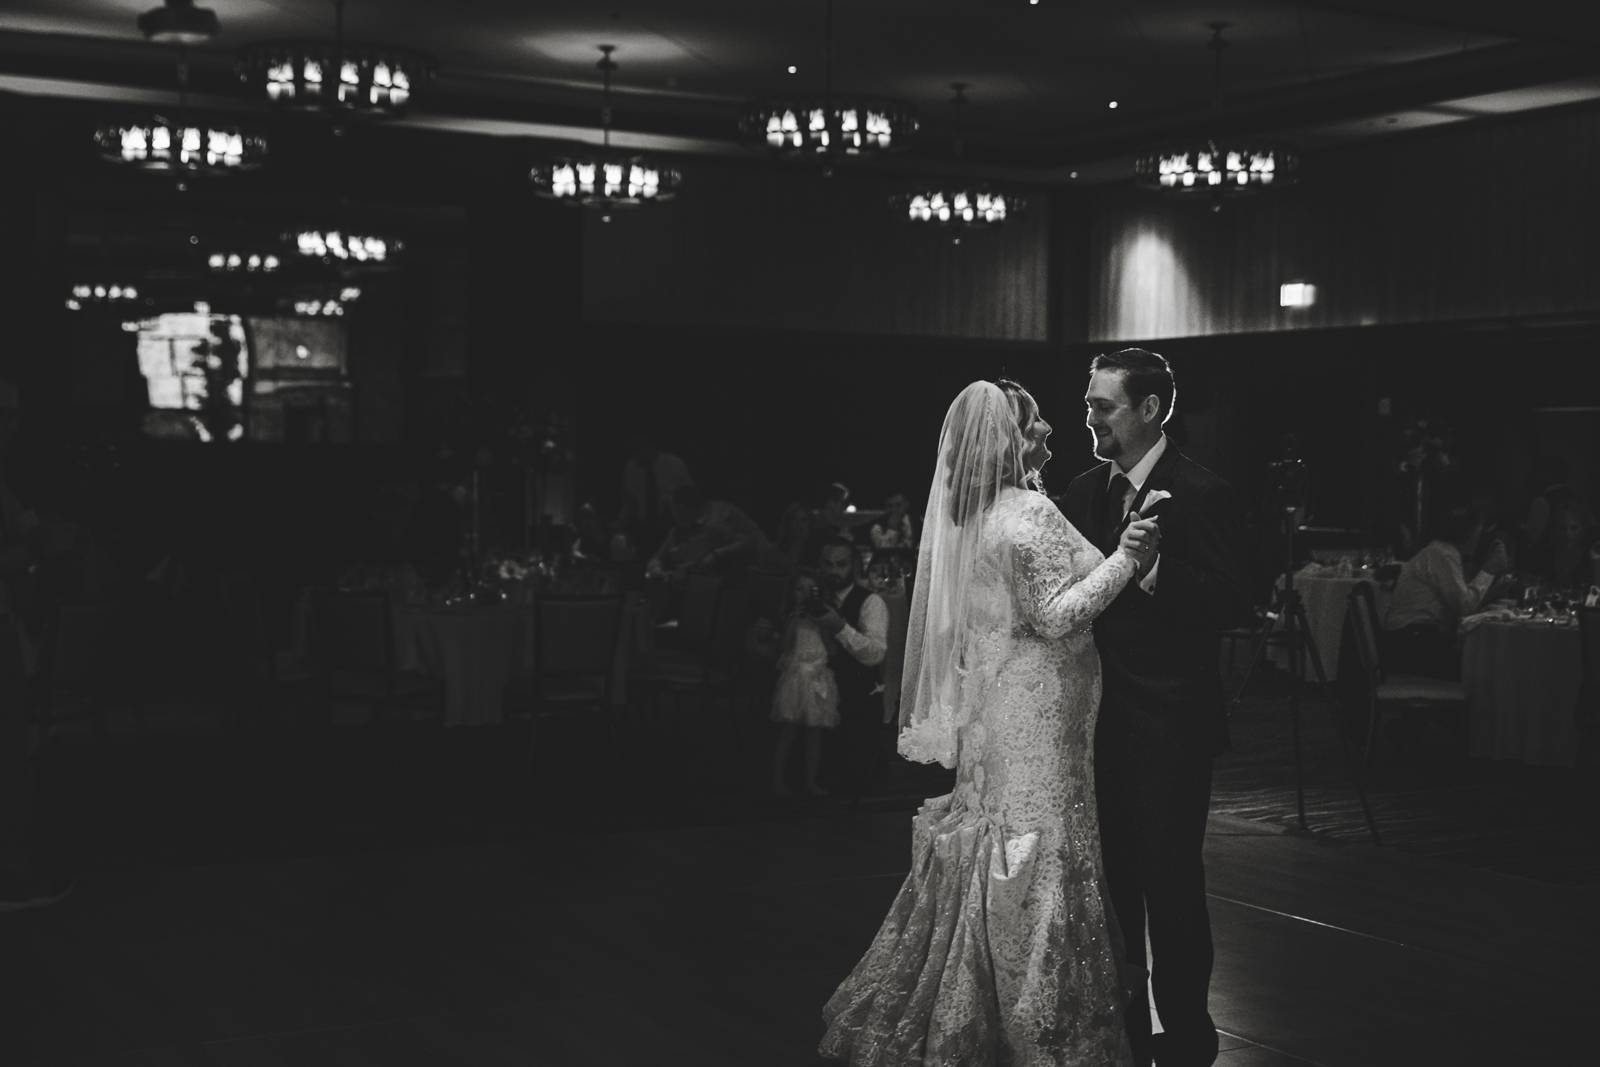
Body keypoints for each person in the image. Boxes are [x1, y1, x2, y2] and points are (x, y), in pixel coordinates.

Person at [821, 380, 1160, 1065]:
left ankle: (971, 997)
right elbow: (1055, 614)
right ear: (1011, 437)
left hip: (999, 713)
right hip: (1037, 716)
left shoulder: (973, 519)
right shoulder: (1028, 513)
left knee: (1000, 837)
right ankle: (1040, 1022)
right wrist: (1129, 556)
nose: (1048, 434)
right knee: (1040, 843)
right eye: (1035, 425)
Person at [1059, 349, 1249, 1067]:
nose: (1089, 415)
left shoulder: (1202, 492)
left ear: (1149, 410)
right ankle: (1122, 1032)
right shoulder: (1081, 491)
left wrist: (1154, 569)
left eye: (1102, 405)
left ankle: (1190, 1038)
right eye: (1088, 402)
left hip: (1170, 728)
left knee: (1170, 885)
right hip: (1092, 727)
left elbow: (1231, 601)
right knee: (1108, 891)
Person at [1384, 505, 1512, 676]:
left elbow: (1461, 604)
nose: (1481, 537)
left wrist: (1492, 592)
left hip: (1411, 640)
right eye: (1480, 530)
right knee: (1488, 666)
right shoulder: (1442, 553)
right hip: (1412, 643)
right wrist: (1489, 569)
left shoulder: (1440, 551)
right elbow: (1464, 607)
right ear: (1470, 531)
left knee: (1484, 662)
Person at [811, 536, 888, 804]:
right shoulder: (810, 596)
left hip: (856, 702)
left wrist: (840, 628)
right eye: (828, 564)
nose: (834, 571)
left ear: (853, 566)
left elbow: (876, 653)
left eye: (841, 564)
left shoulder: (870, 602)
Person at [765, 571, 840, 797]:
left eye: (811, 589)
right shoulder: (792, 617)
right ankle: (777, 780)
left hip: (818, 677)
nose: (805, 594)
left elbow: (832, 649)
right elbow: (785, 647)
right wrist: (794, 620)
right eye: (800, 589)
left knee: (815, 734)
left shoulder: (825, 616)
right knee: (788, 731)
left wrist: (822, 623)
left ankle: (811, 781)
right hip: (796, 679)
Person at [617, 436, 693, 552]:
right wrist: (620, 525)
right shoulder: (631, 468)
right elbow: (629, 502)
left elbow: (690, 497)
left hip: (674, 527)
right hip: (643, 529)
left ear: (650, 447)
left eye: (639, 450)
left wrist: (674, 509)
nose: (636, 456)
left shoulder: (674, 465)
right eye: (634, 451)